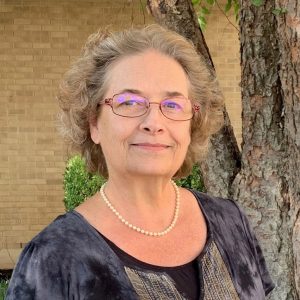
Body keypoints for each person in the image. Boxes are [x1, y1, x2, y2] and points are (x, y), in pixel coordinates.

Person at [6, 24, 274, 300]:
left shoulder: (231, 220)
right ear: (93, 123)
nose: (154, 123)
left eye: (172, 105)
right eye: (129, 102)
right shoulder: (53, 258)